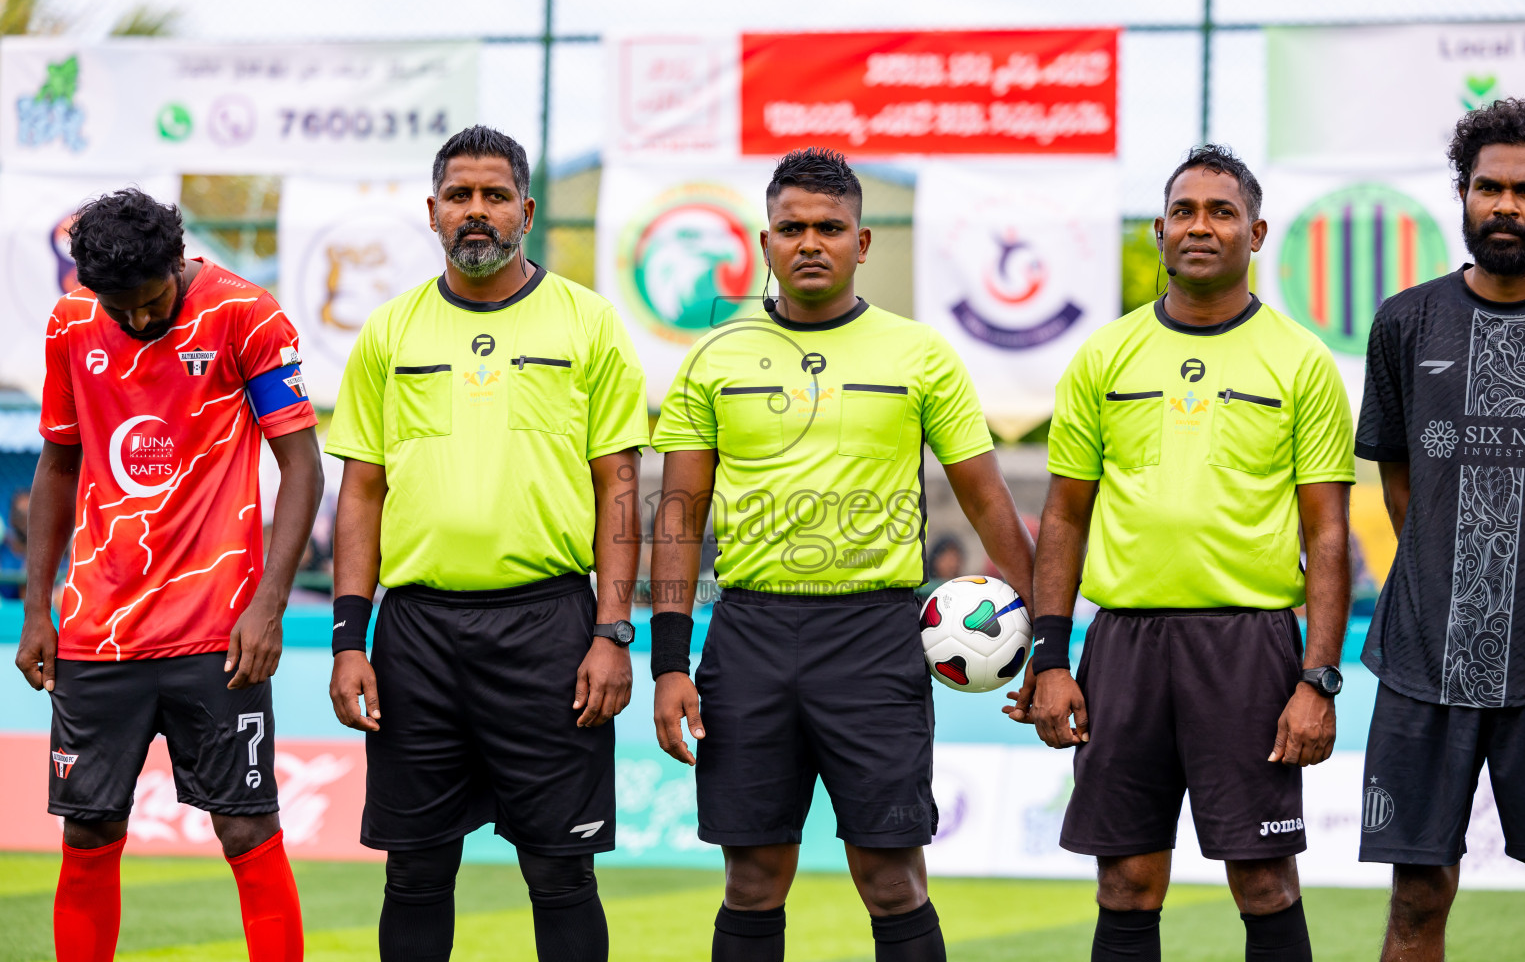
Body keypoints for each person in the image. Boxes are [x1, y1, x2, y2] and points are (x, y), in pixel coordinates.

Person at [649, 147, 1035, 962]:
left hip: (876, 637)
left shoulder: (920, 354)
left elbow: (988, 500)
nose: (810, 242)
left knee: (892, 877)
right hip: (748, 634)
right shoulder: (715, 357)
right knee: (752, 879)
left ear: (863, 244)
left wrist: (1055, 638)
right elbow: (680, 518)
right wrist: (669, 665)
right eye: (792, 228)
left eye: (831, 227)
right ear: (765, 242)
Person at [1011, 145, 1355, 962]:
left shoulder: (1301, 359)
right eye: (1185, 212)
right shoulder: (1105, 355)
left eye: (1222, 211)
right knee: (1127, 882)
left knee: (1264, 881)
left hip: (1250, 647)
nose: (1201, 226)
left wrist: (1318, 679)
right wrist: (1052, 657)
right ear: (1160, 229)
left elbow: (1329, 535)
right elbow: (1063, 518)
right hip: (1124, 645)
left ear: (1258, 231)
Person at [325, 125, 649, 962]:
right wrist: (347, 642)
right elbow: (362, 491)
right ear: (431, 211)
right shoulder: (389, 333)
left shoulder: (589, 323)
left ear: (527, 211)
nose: (477, 212)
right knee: (416, 870)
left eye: (495, 195)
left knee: (560, 870)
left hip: (548, 628)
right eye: (460, 196)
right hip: (416, 634)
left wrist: (614, 632)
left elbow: (620, 486)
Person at [13, 189, 322, 962]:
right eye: (121, 308)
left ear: (177, 262)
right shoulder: (71, 322)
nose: (140, 321)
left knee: (247, 826)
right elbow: (57, 463)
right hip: (97, 631)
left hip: (219, 633)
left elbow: (302, 468)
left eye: (152, 302)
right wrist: (35, 608)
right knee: (89, 830)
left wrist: (269, 604)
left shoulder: (246, 315)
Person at [1355, 98, 1525, 962]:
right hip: (1427, 659)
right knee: (1417, 901)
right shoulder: (1405, 321)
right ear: (1461, 196)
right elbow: (1400, 484)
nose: (1507, 205)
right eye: (1490, 187)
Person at [0, 487, 30, 598]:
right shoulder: (3, 550)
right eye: (20, 514)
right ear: (11, 518)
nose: (25, 521)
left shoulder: (50, 553)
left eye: (30, 514)